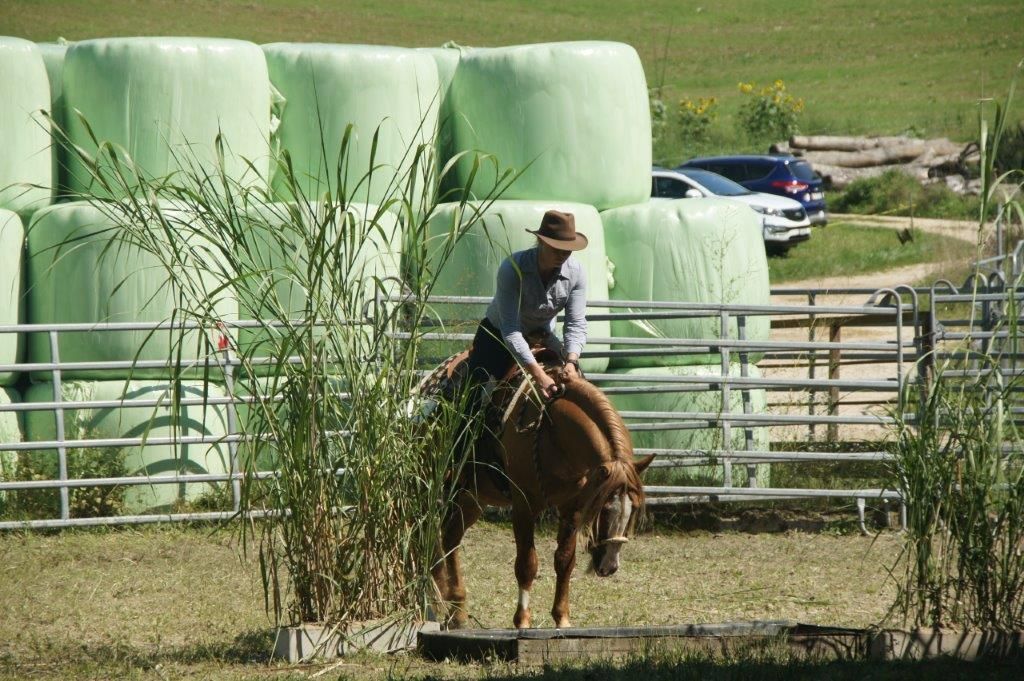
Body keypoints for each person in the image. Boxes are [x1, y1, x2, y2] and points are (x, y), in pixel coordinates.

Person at [465, 209, 589, 404]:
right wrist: (539, 376)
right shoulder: (513, 268)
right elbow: (511, 331)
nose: (562, 255)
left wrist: (571, 360)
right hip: (498, 336)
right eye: (556, 248)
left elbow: (576, 323)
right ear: (541, 242)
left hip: (543, 336)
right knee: (472, 400)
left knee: (580, 388)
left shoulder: (577, 272)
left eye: (567, 250)